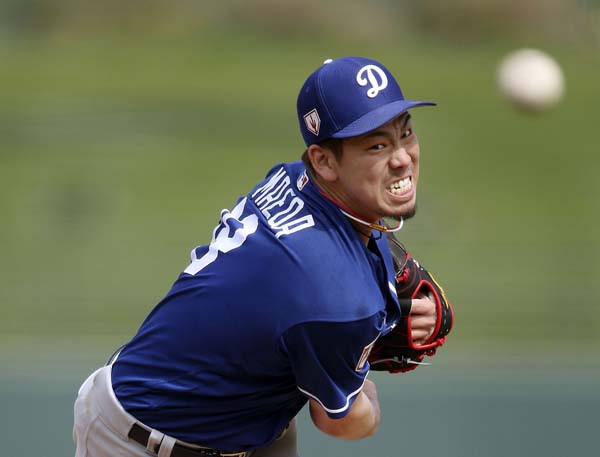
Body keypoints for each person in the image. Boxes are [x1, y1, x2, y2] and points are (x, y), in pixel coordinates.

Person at [73, 56, 440, 457]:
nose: (402, 157)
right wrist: (362, 368)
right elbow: (343, 422)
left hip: (243, 418)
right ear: (323, 161)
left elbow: (317, 280)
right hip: (144, 438)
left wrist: (372, 321)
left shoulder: (292, 177)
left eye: (405, 133)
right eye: (377, 145)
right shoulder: (334, 297)